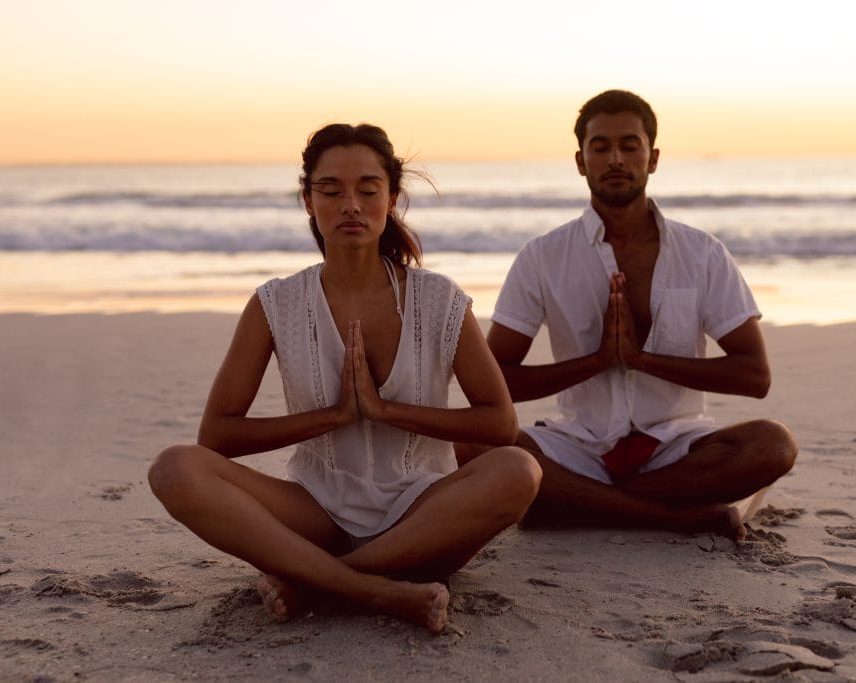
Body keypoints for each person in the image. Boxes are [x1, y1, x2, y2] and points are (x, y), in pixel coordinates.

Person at [148, 123, 541, 634]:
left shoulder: (440, 299)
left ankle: (315, 584)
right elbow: (217, 436)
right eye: (331, 191)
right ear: (308, 201)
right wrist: (332, 418)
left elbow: (500, 425)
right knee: (174, 469)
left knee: (517, 469)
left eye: (367, 190)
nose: (350, 204)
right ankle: (375, 589)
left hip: (423, 517)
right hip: (315, 515)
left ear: (392, 199)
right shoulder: (275, 304)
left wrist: (384, 411)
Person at [455, 90, 796, 541]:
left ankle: (581, 504)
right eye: (600, 147)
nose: (615, 158)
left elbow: (755, 376)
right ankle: (666, 517)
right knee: (473, 445)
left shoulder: (702, 253)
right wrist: (596, 362)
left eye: (629, 146)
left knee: (773, 445)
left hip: (676, 448)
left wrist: (640, 359)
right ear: (581, 161)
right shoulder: (544, 256)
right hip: (579, 446)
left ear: (652, 158)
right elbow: (497, 382)